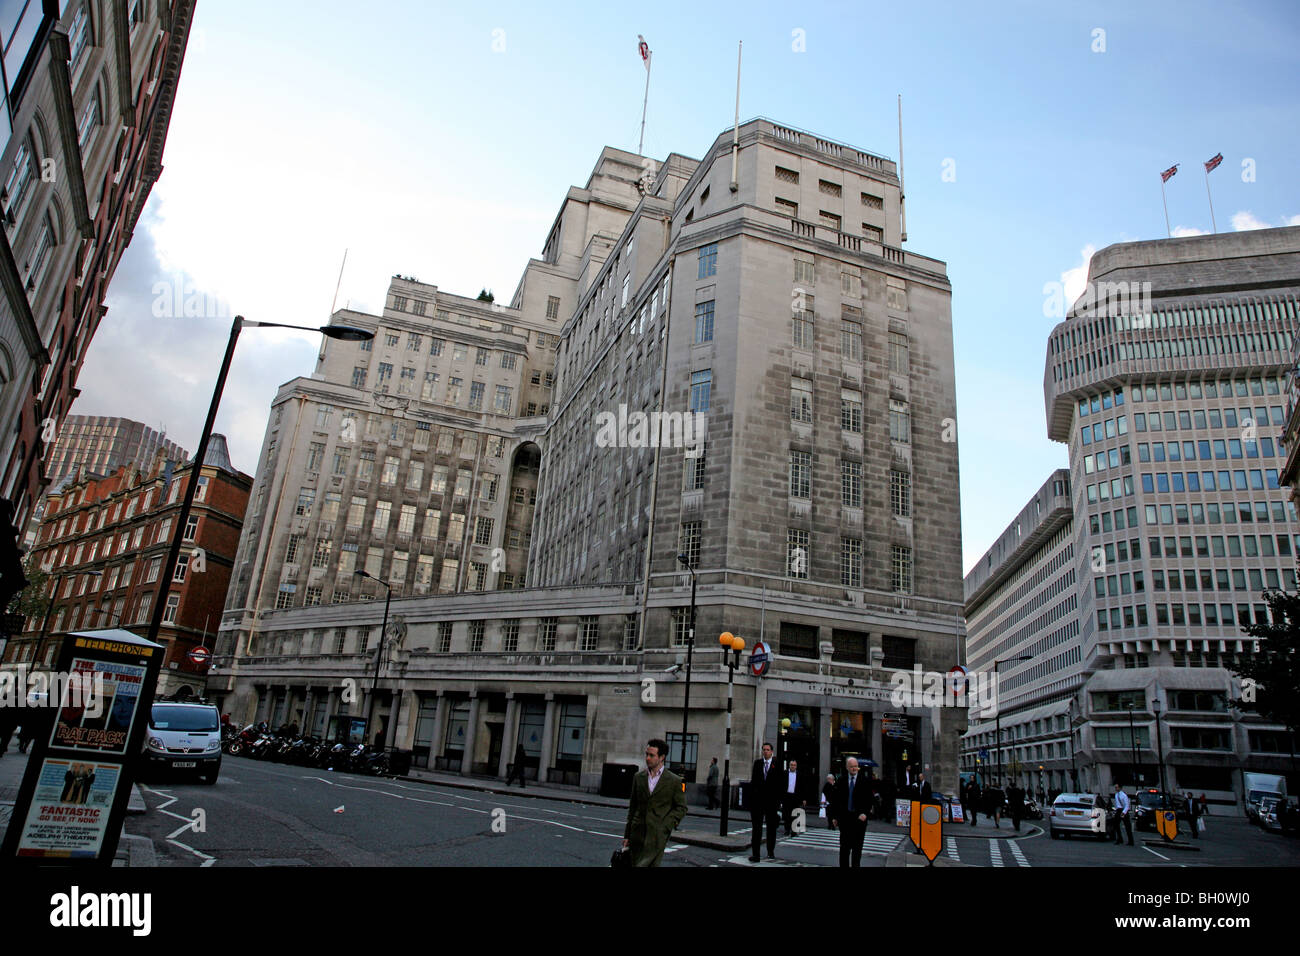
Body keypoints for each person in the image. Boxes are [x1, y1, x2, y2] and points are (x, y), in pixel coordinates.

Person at [622, 738, 688, 867]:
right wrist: (627, 835)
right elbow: (633, 807)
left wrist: (666, 825)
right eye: (647, 754)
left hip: (657, 836)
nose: (647, 758)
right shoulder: (638, 778)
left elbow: (681, 807)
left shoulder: (673, 781)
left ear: (662, 757)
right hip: (637, 834)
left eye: (652, 755)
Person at [830, 756, 873, 867]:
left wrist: (865, 813)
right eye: (852, 767)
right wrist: (835, 817)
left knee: (857, 851)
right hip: (845, 820)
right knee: (844, 849)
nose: (854, 769)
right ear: (847, 767)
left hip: (859, 820)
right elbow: (836, 801)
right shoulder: (841, 781)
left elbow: (869, 800)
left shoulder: (864, 781)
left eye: (856, 767)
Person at [748, 742, 783, 862]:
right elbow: (753, 783)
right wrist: (752, 801)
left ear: (772, 752)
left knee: (771, 828)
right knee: (756, 829)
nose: (765, 751)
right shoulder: (758, 764)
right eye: (764, 749)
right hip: (758, 802)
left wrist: (778, 803)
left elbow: (780, 785)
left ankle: (770, 851)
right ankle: (755, 854)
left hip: (771, 802)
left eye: (767, 750)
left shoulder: (777, 765)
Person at [781, 758, 807, 835]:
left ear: (796, 766)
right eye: (791, 765)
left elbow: (803, 787)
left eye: (794, 765)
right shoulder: (784, 773)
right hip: (787, 796)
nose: (793, 766)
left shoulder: (800, 775)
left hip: (795, 797)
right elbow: (781, 786)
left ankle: (794, 830)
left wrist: (804, 798)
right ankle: (787, 829)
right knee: (786, 814)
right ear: (789, 765)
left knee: (795, 814)